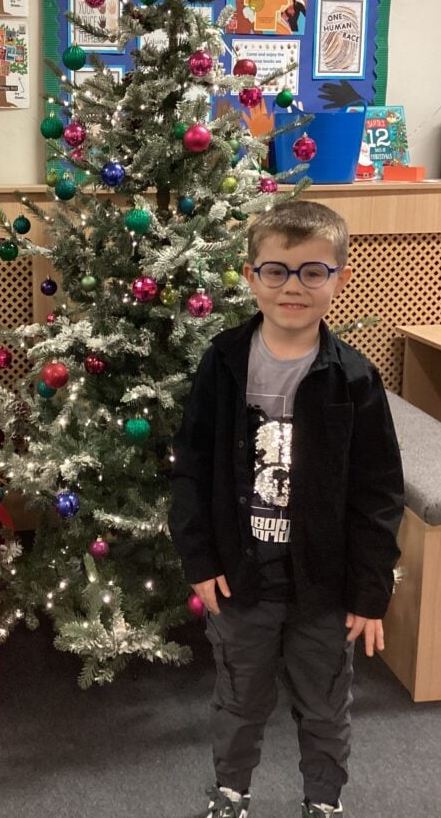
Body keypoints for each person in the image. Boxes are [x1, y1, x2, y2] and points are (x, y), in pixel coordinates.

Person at [169, 200, 404, 818]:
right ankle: (231, 791)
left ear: (339, 279)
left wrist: (370, 591)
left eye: (312, 272)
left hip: (322, 585)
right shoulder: (222, 363)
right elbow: (191, 467)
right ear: (250, 277)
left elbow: (379, 493)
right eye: (276, 271)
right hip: (243, 576)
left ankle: (322, 801)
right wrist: (198, 556)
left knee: (326, 702)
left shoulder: (354, 379)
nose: (293, 287)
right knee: (239, 696)